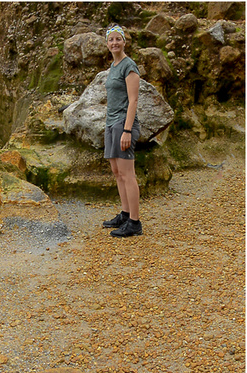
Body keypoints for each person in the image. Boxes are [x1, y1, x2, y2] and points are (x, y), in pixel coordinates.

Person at [101, 24, 143, 237]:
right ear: (107, 44)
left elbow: (133, 100)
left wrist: (127, 130)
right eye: (111, 40)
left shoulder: (129, 66)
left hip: (123, 124)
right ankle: (125, 214)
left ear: (124, 42)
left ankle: (135, 223)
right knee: (117, 173)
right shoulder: (113, 66)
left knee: (128, 174)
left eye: (118, 39)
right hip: (111, 123)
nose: (114, 43)